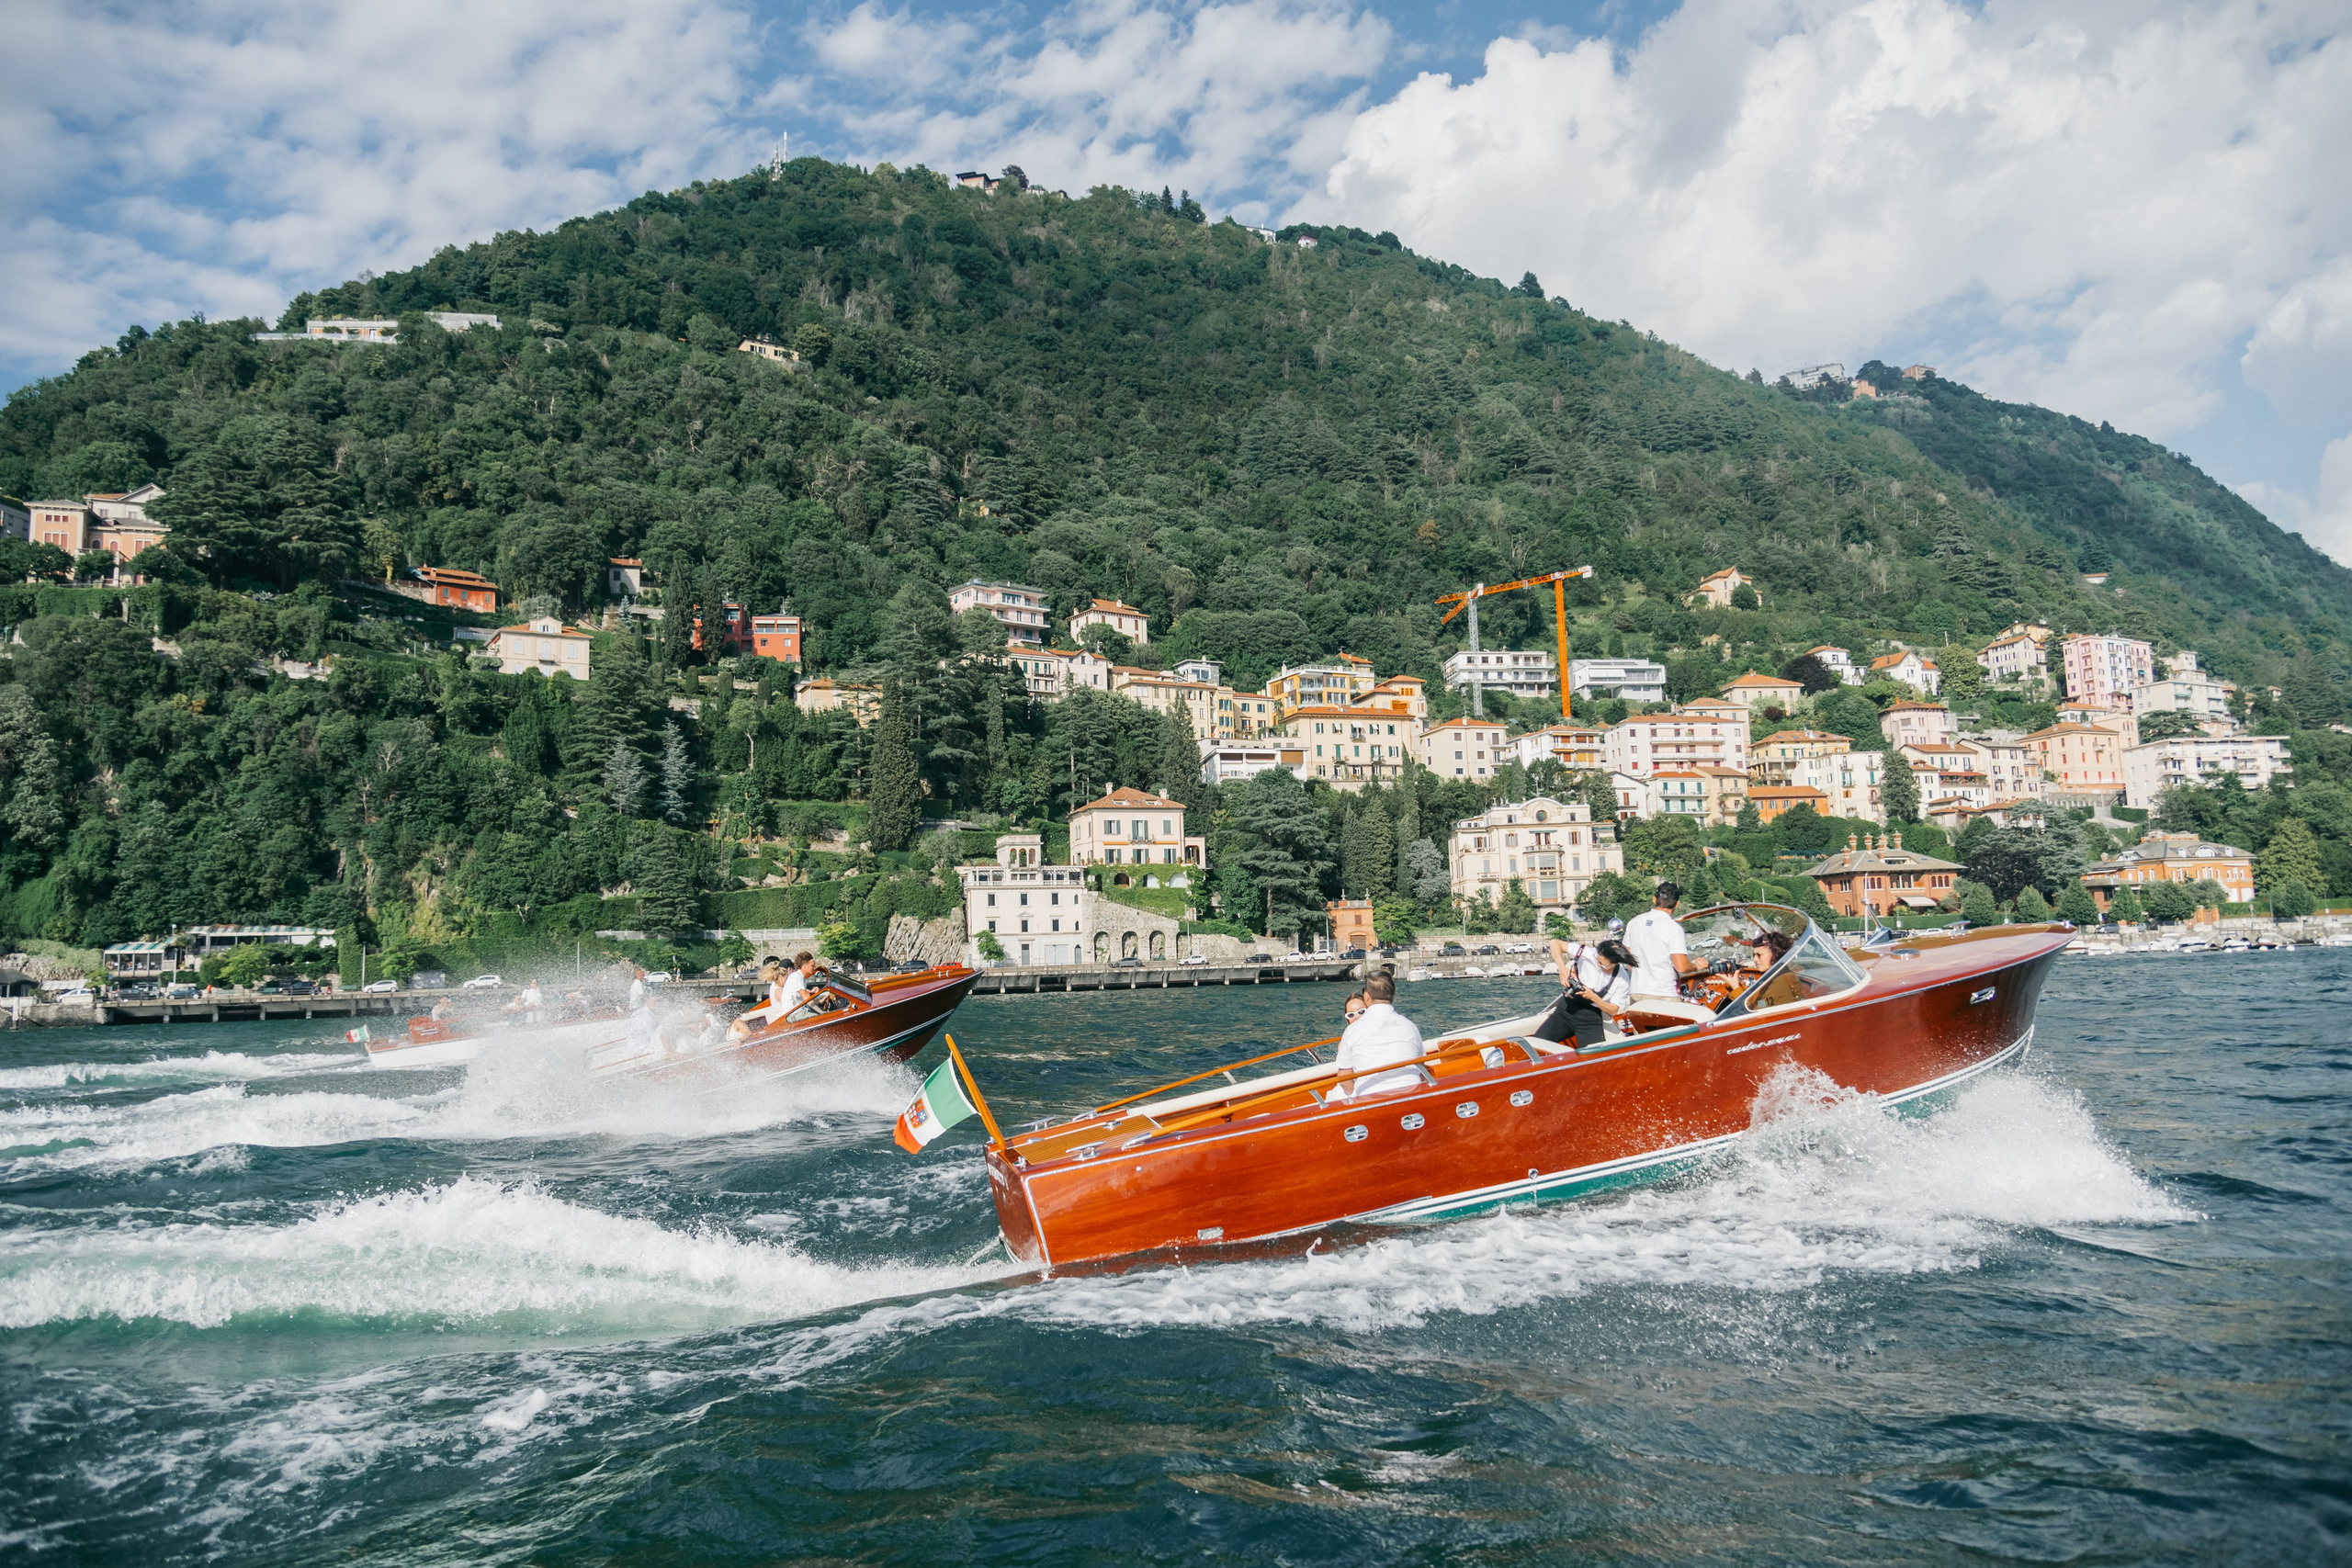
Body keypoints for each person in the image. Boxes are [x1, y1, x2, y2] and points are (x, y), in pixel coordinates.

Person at [1329, 971, 1425, 1100]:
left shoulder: (1352, 1030)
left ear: (1367, 996)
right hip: (1412, 1096)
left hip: (1372, 1100)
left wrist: (1354, 1096)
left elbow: (1344, 1078)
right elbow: (1421, 1068)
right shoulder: (1410, 1026)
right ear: (1392, 995)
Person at [1532, 936, 1636, 1046]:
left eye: (1603, 964)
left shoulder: (1622, 979)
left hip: (1590, 1017)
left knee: (1593, 1055)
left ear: (1615, 963)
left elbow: (1613, 1011)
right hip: (1566, 1009)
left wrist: (1593, 997)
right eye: (1598, 960)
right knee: (1537, 1045)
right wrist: (1562, 969)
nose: (1598, 965)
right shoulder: (1588, 953)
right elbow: (1554, 943)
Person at [1624, 882, 1699, 999]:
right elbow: (1681, 967)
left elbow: (1628, 958)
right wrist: (1697, 966)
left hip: (1636, 991)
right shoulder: (1673, 928)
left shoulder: (1633, 922)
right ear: (1677, 904)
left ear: (1654, 899)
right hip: (1663, 993)